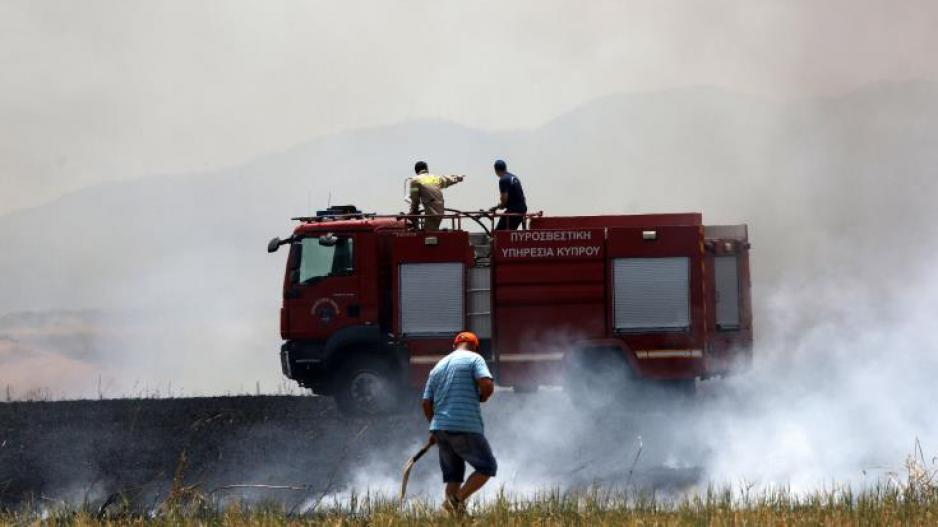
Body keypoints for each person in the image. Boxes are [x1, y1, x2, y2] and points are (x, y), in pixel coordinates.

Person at [422, 331, 497, 513]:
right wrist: (483, 396)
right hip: (464, 426)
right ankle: (454, 502)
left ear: (454, 345)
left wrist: (434, 429)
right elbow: (486, 384)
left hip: (441, 428)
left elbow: (426, 402)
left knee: (453, 478)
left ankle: (458, 520)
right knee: (487, 467)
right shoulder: (474, 359)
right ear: (474, 346)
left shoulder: (438, 367)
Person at [409, 161, 464, 231]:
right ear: (427, 169)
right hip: (440, 208)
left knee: (428, 232)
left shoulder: (415, 180)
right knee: (433, 229)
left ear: (416, 171)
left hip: (431, 210)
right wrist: (457, 178)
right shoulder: (435, 178)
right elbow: (447, 180)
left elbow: (415, 199)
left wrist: (413, 211)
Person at [490, 159, 527, 230]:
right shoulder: (514, 177)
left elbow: (504, 199)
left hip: (514, 211)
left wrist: (498, 207)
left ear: (496, 170)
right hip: (522, 209)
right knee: (509, 234)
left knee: (498, 233)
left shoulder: (503, 180)